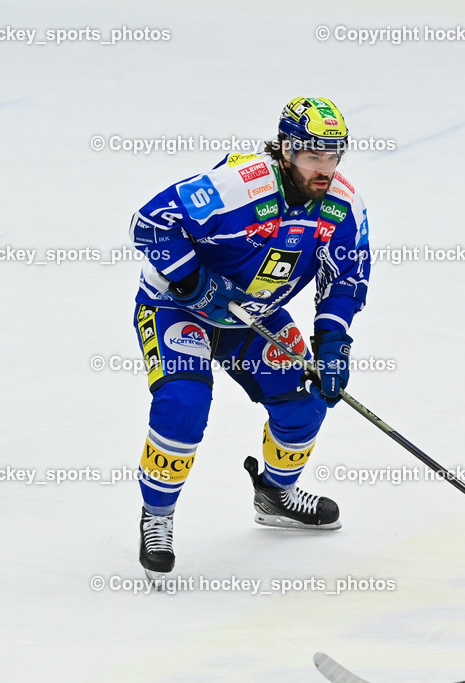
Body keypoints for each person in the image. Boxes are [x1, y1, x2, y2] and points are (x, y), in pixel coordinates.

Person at [129, 97, 371, 578]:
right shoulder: (240, 185)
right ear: (285, 150)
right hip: (177, 308)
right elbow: (151, 222)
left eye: (333, 156)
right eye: (312, 156)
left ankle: (276, 494)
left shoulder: (344, 205)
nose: (324, 169)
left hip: (252, 318)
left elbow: (346, 278)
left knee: (306, 401)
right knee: (184, 404)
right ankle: (157, 516)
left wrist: (332, 343)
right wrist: (194, 283)